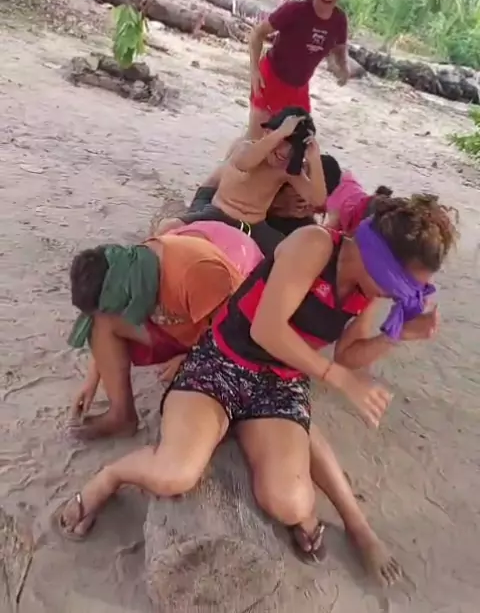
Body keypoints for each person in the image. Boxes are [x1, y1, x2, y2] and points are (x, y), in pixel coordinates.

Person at [55, 195, 457, 588]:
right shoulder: (314, 244)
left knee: (291, 503)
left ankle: (348, 519)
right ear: (378, 258)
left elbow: (349, 354)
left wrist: (398, 335)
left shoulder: (367, 291)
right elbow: (267, 328)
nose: (397, 296)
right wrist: (337, 378)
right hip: (222, 362)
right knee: (175, 474)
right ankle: (108, 478)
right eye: (399, 285)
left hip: (280, 382)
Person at [68, 232, 244, 440]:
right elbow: (101, 316)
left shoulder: (197, 273)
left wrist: (190, 359)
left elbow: (236, 335)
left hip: (219, 341)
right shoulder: (132, 267)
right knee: (100, 322)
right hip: (176, 329)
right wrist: (92, 380)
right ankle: (121, 416)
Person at [155, 109, 327, 257]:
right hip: (219, 213)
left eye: (293, 149)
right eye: (282, 143)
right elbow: (244, 164)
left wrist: (315, 159)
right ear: (267, 133)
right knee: (169, 226)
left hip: (254, 225)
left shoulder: (286, 169)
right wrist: (281, 133)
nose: (285, 152)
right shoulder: (245, 148)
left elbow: (317, 199)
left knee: (286, 254)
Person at [248, 0, 350, 138]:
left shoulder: (339, 19)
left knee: (299, 141)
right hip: (271, 78)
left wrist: (343, 67)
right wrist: (254, 71)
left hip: (299, 87)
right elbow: (257, 33)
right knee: (254, 139)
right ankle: (233, 157)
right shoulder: (295, 10)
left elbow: (339, 48)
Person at [325, 168, 393, 235]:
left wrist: (321, 228)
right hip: (370, 202)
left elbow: (332, 227)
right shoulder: (350, 180)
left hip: (362, 214)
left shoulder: (333, 201)